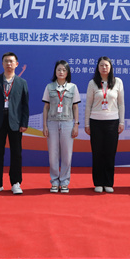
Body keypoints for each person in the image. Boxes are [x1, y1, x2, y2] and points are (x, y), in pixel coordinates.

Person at [0, 52, 29, 195]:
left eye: (11, 61)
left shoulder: (22, 83)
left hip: (15, 122)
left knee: (16, 153)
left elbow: (25, 105)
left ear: (16, 64)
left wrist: (24, 123)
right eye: (6, 61)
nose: (9, 64)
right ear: (2, 64)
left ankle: (16, 183)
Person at [84, 56, 125, 193]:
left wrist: (121, 122)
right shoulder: (92, 83)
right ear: (98, 67)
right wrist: (87, 124)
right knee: (97, 153)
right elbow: (88, 105)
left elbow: (121, 104)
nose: (104, 68)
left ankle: (108, 182)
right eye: (101, 65)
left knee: (110, 153)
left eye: (106, 65)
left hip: (112, 122)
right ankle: (98, 182)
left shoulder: (118, 82)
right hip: (96, 122)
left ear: (111, 67)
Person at [42, 60, 80, 193]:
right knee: (53, 153)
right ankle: (54, 181)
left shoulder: (73, 87)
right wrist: (44, 125)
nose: (61, 72)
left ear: (67, 72)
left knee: (67, 154)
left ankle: (64, 182)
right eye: (59, 69)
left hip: (67, 122)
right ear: (55, 71)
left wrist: (76, 124)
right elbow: (46, 107)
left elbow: (75, 107)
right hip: (52, 122)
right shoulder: (49, 87)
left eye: (64, 70)